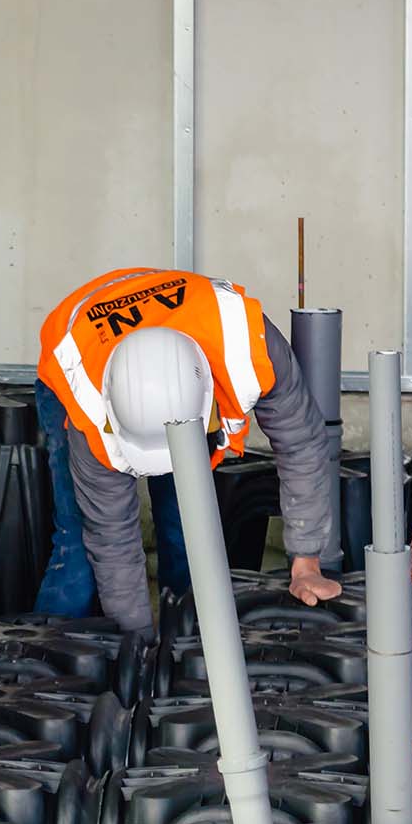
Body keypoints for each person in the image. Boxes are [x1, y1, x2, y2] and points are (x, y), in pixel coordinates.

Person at [36, 269, 340, 633]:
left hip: (179, 331)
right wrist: (140, 651)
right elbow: (112, 536)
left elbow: (301, 443)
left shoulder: (249, 345)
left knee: (187, 525)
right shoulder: (88, 410)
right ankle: (46, 663)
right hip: (79, 347)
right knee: (78, 548)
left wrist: (306, 562)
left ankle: (187, 635)